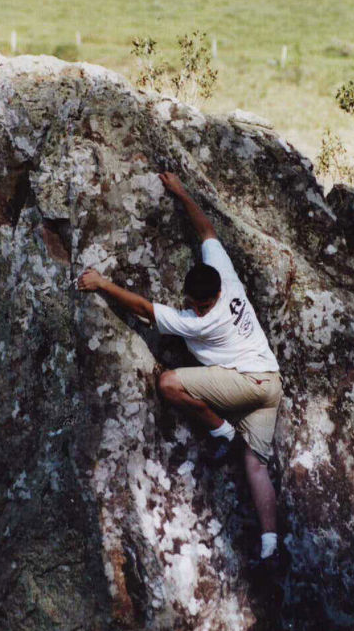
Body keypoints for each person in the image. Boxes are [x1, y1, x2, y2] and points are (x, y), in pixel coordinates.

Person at [78, 172, 283, 565]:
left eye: (196, 304)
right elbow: (206, 231)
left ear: (209, 301)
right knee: (256, 465)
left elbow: (142, 309)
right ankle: (270, 542)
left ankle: (222, 431)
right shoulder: (225, 277)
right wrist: (181, 192)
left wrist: (102, 283)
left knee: (169, 383)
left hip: (247, 383)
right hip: (271, 383)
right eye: (189, 301)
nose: (190, 307)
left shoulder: (199, 321)